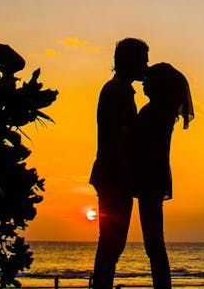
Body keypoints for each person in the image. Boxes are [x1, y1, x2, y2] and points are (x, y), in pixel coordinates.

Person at [89, 38, 148, 289]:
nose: (146, 64)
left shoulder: (119, 89)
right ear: (129, 61)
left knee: (112, 243)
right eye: (142, 58)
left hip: (112, 175)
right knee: (112, 242)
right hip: (114, 176)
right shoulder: (118, 91)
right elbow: (119, 138)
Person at [131, 62, 194, 289]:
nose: (144, 82)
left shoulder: (154, 112)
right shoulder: (163, 112)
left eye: (149, 80)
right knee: (154, 242)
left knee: (154, 244)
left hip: (149, 178)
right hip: (154, 178)